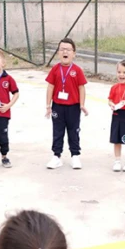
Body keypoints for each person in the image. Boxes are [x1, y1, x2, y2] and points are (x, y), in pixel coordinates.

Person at [45, 38, 89, 170]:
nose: (65, 52)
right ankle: (56, 156)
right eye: (62, 49)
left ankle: (75, 155)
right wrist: (48, 105)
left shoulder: (77, 70)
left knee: (73, 131)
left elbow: (82, 88)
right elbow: (50, 87)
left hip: (73, 107)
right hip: (58, 106)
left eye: (68, 50)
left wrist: (82, 104)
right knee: (57, 131)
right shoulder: (55, 69)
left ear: (74, 53)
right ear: (58, 53)